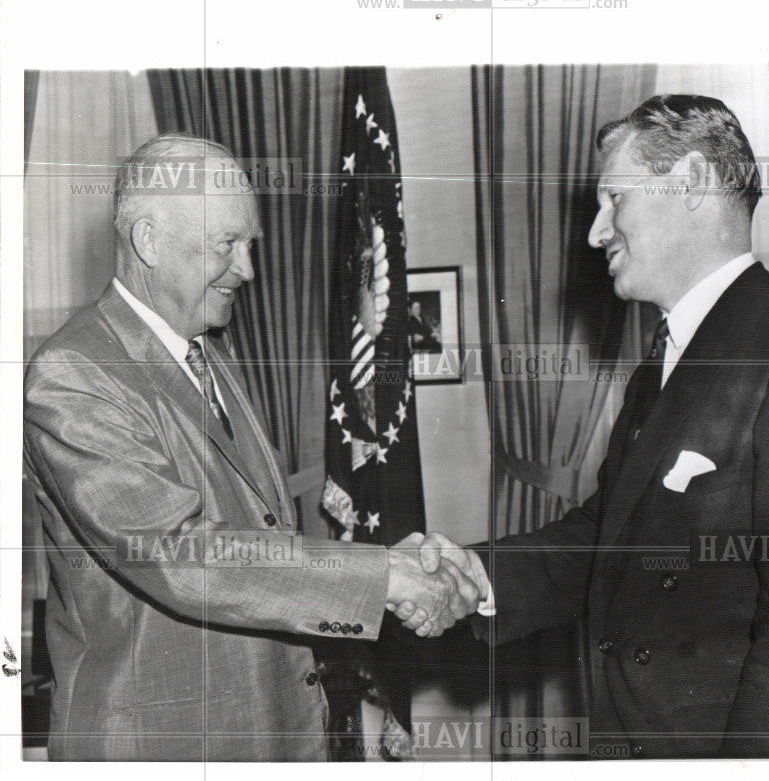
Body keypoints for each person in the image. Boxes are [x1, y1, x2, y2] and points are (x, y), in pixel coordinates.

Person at [408, 95, 769, 759]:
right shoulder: (659, 366)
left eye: (614, 199)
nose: (597, 231)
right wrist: (480, 574)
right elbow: (610, 538)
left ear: (688, 183)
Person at [22, 134, 481, 761]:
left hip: (273, 726)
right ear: (148, 241)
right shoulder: (75, 372)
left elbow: (252, 532)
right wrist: (381, 578)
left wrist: (383, 565)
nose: (248, 270)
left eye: (250, 244)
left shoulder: (209, 350)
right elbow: (179, 551)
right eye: (226, 245)